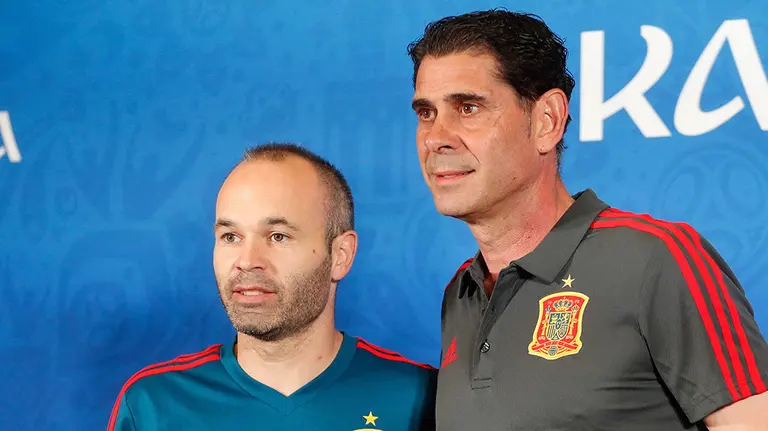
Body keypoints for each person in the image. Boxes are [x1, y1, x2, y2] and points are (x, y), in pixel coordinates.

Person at [406, 8, 768, 431]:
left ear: (547, 121)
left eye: (468, 108)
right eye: (426, 112)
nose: (435, 137)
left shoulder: (657, 258)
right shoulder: (460, 293)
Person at [107, 143, 437, 430]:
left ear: (340, 255)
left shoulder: (419, 398)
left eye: (278, 236)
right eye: (230, 237)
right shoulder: (153, 406)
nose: (247, 260)